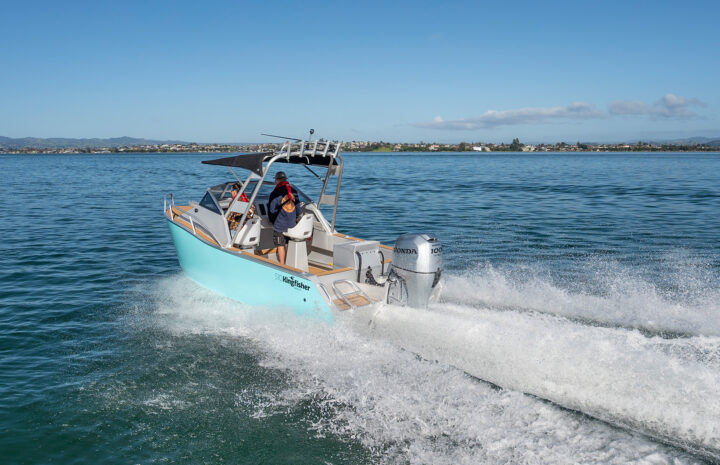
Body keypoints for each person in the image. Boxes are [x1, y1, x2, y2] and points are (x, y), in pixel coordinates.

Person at [268, 171, 300, 265]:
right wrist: (296, 218)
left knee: (280, 244)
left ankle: (282, 265)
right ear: (285, 180)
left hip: (280, 223)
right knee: (287, 242)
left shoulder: (275, 193)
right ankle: (290, 262)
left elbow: (272, 210)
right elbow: (298, 208)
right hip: (292, 223)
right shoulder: (293, 190)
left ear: (277, 180)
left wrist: (272, 220)